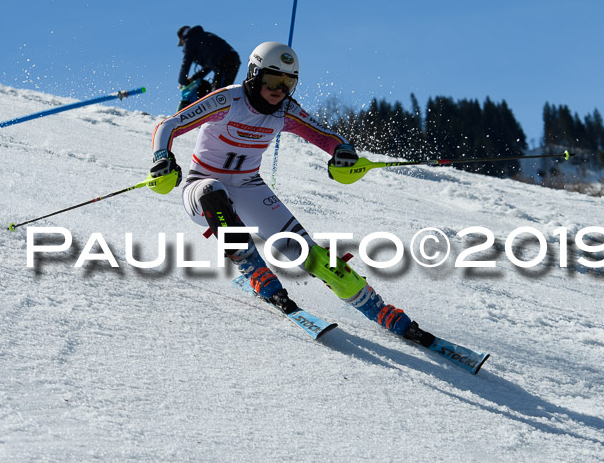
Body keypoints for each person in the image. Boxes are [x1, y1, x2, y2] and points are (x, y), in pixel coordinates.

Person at [149, 41, 430, 344]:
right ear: (254, 74)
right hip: (201, 187)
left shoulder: (285, 111)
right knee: (212, 191)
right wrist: (162, 157)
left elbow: (325, 134)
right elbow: (170, 125)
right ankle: (253, 269)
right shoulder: (228, 100)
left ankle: (381, 310)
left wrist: (342, 151)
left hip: (249, 186)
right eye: (272, 80)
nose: (280, 90)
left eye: (288, 83)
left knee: (311, 255)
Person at [176, 25, 241, 110]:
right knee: (220, 94)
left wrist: (182, 81)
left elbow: (186, 62)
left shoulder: (190, 39)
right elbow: (208, 66)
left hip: (225, 62)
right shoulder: (203, 36)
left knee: (217, 96)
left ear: (181, 39)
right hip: (232, 59)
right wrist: (195, 78)